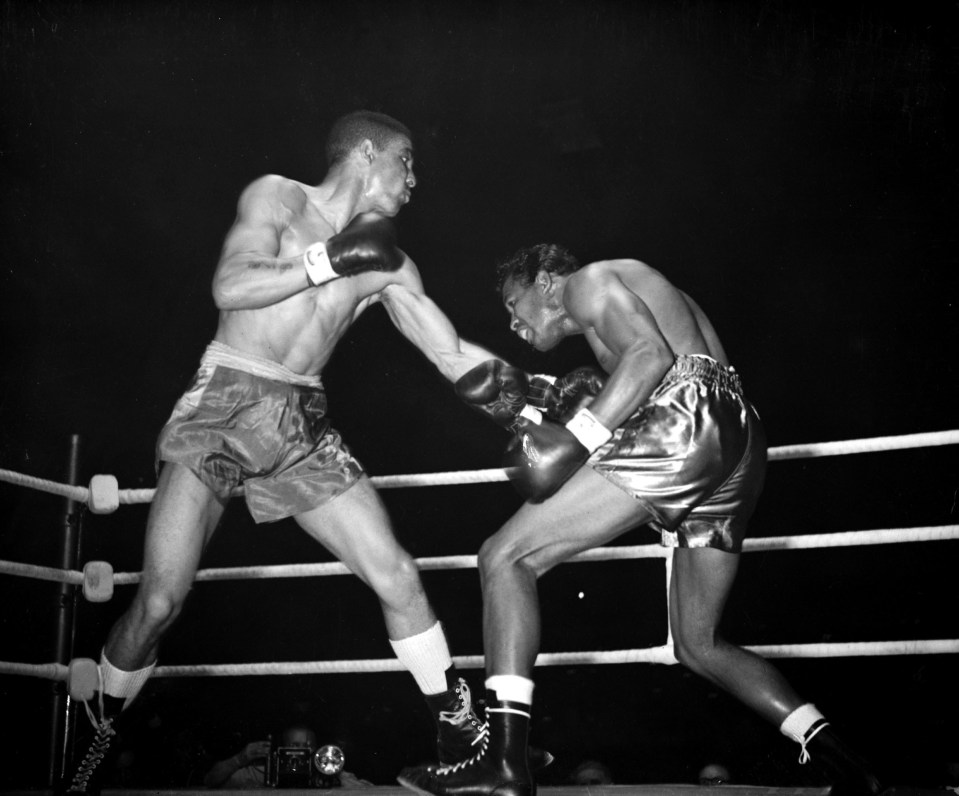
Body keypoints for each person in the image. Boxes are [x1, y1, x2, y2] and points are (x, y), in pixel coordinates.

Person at [58, 110, 544, 794]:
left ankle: (460, 727)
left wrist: (530, 405)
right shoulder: (279, 197)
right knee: (161, 601)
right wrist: (327, 260)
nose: (413, 180)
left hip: (300, 422)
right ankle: (98, 728)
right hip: (224, 402)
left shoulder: (391, 263)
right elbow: (230, 286)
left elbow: (452, 353)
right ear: (367, 153)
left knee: (398, 576)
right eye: (405, 162)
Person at [397, 244, 887, 796]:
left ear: (544, 281)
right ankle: (845, 765)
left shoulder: (584, 282)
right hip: (735, 438)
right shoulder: (623, 302)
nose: (513, 323)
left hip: (687, 419)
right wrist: (540, 402)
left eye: (515, 304)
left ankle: (504, 763)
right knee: (698, 643)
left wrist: (575, 436)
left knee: (504, 556)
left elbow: (650, 357)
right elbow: (644, 372)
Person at [204, 726, 373, 789]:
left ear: (317, 751)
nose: (300, 753)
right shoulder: (264, 773)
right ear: (281, 749)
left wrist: (334, 779)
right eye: (293, 747)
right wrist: (240, 759)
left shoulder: (329, 775)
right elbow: (211, 781)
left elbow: (370, 791)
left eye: (307, 747)